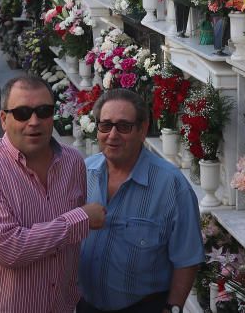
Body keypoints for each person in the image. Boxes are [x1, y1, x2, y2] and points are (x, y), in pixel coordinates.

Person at [0, 75, 107, 313]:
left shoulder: (73, 163)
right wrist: (81, 219)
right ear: (3, 119)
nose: (34, 121)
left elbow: (70, 250)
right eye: (22, 113)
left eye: (44, 111)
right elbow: (8, 248)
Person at [79, 89, 203, 313]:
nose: (113, 135)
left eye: (124, 126)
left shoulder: (172, 187)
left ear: (143, 129)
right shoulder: (82, 173)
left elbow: (187, 259)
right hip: (85, 305)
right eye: (105, 125)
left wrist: (172, 308)